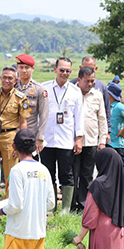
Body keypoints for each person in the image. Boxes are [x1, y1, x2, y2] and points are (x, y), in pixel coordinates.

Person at [40, 58, 84, 213]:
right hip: (47, 140)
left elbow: (79, 117)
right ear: (55, 70)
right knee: (48, 174)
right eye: (62, 70)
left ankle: (65, 209)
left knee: (66, 174)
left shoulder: (75, 91)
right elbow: (40, 115)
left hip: (66, 140)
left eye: (68, 71)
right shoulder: (44, 88)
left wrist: (79, 138)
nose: (65, 73)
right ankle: (50, 207)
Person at [0, 66, 30, 202]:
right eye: (4, 77)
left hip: (10, 137)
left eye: (10, 78)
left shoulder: (21, 98)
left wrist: (19, 144)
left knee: (10, 173)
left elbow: (23, 123)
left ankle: (8, 203)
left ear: (16, 80)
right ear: (0, 78)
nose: (6, 80)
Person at [70, 66, 107, 213]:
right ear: (79, 80)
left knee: (87, 175)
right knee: (73, 174)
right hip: (72, 142)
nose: (90, 84)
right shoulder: (71, 92)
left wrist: (102, 141)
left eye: (92, 81)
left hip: (91, 142)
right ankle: (71, 205)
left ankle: (84, 205)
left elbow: (102, 119)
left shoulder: (97, 95)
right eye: (87, 81)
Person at [14, 54, 48, 155]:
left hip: (30, 135)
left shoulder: (39, 89)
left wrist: (40, 138)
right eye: (21, 67)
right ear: (17, 68)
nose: (24, 70)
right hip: (13, 134)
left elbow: (44, 115)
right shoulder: (12, 87)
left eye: (27, 67)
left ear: (33, 69)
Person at [79, 57, 111, 139]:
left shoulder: (101, 87)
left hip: (93, 134)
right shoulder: (72, 86)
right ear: (80, 68)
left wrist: (107, 132)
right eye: (85, 68)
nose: (88, 71)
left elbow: (106, 111)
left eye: (91, 68)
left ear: (95, 68)